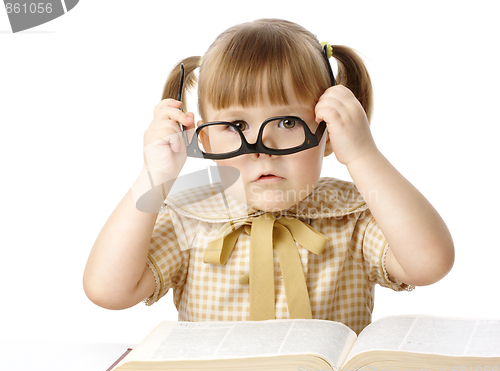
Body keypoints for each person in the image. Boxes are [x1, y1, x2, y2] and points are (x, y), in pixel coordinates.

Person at [83, 18, 454, 335]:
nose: (262, 148)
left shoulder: (351, 217)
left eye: (288, 122)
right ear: (205, 138)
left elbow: (429, 264)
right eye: (235, 124)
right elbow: (108, 291)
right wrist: (154, 178)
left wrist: (362, 153)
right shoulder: (190, 218)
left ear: (327, 132)